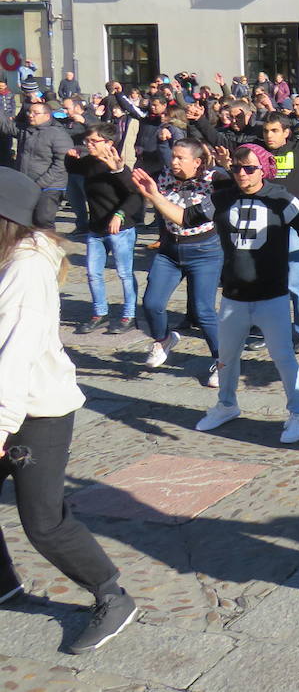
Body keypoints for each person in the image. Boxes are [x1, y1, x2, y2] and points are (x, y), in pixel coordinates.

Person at [131, 145, 299, 443]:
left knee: (283, 357)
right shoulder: (222, 197)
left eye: (249, 168)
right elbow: (185, 218)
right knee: (226, 357)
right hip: (233, 296)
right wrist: (154, 196)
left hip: (272, 296)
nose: (242, 174)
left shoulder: (281, 198)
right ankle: (227, 405)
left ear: (264, 169)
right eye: (236, 168)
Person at [0, 168, 140, 653]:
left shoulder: (26, 269)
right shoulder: (9, 258)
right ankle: (4, 582)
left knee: (44, 521)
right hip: (12, 402)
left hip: (35, 411)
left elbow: (15, 354)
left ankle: (111, 595)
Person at [140, 140, 224, 383]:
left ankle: (222, 362)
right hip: (170, 250)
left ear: (197, 162)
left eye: (180, 158)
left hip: (205, 250)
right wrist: (117, 169)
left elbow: (229, 182)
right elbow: (137, 185)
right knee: (151, 303)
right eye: (173, 157)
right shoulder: (164, 175)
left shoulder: (212, 179)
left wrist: (227, 164)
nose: (173, 162)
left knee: (203, 311)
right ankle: (163, 339)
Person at [65, 123, 143, 334]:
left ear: (108, 143)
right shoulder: (89, 163)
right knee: (93, 273)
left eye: (93, 141)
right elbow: (74, 167)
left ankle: (129, 315)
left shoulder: (117, 165)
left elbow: (135, 195)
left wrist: (119, 215)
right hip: (96, 229)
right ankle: (100, 313)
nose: (88, 145)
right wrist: (69, 156)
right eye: (86, 141)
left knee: (124, 273)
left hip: (121, 229)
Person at [0, 100, 72, 228]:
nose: (30, 115)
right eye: (29, 112)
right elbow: (5, 125)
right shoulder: (25, 130)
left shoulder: (58, 134)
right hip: (28, 183)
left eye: (35, 113)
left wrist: (40, 183)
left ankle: (49, 245)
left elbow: (61, 164)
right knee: (25, 220)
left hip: (50, 186)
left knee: (43, 219)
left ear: (47, 115)